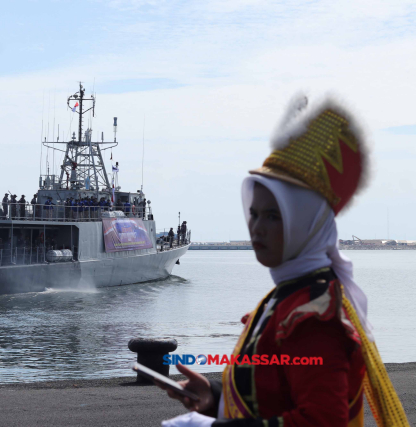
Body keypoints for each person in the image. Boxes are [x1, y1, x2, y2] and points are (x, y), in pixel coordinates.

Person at [160, 96, 408, 426]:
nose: (257, 228)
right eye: (254, 213)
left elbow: (323, 421)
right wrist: (214, 396)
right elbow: (273, 393)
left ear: (305, 225)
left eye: (274, 216)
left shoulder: (314, 319)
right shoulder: (290, 298)